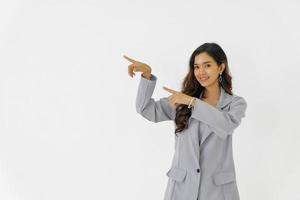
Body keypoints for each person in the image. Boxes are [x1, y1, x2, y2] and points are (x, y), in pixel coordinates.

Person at [123, 42, 247, 200]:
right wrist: (147, 75)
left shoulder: (235, 103)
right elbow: (146, 109)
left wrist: (193, 103)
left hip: (218, 192)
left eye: (207, 65)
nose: (201, 72)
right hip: (182, 189)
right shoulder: (183, 100)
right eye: (196, 67)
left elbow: (226, 125)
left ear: (221, 68)